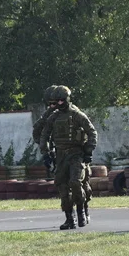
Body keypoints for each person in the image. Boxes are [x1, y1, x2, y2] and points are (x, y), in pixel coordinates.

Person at [39, 86, 97, 229]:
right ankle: (69, 218)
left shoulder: (77, 115)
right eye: (56, 101)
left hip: (76, 155)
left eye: (61, 101)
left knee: (76, 182)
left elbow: (92, 133)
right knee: (62, 187)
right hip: (60, 156)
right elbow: (44, 135)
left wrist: (88, 152)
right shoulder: (54, 117)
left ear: (67, 99)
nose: (59, 104)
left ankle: (81, 211)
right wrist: (46, 153)